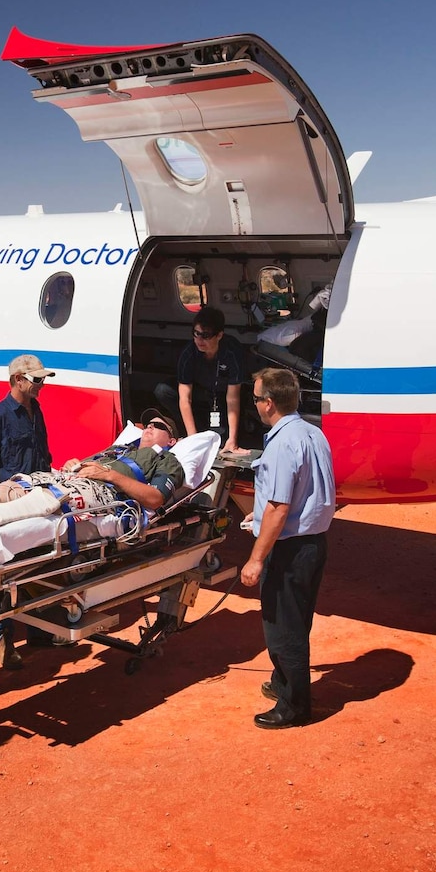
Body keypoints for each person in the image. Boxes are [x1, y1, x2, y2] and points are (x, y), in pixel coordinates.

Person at [240, 368, 335, 729]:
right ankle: (283, 683)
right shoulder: (313, 432)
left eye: (255, 398)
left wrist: (255, 558)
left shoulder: (281, 443)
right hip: (312, 544)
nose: (255, 404)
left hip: (289, 549)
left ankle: (294, 706)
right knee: (296, 620)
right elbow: (304, 492)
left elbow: (280, 509)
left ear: (268, 403)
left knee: (283, 627)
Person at [0, 412, 185, 531]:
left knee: (45, 498)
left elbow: (155, 499)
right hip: (65, 478)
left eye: (157, 426)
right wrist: (75, 464)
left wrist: (111, 476)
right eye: (146, 423)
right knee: (11, 488)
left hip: (98, 492)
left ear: (172, 440)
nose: (148, 426)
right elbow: (84, 465)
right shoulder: (118, 449)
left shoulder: (167, 461)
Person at [0, 353, 56, 667]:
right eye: (36, 380)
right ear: (16, 380)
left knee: (38, 565)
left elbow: (43, 455)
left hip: (38, 501)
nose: (41, 385)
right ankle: (4, 640)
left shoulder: (36, 410)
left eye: (43, 379)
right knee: (6, 574)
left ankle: (39, 631)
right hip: (10, 505)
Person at [155, 305, 247, 453]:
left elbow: (233, 398)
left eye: (205, 335)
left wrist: (233, 439)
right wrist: (193, 439)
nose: (199, 340)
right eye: (195, 334)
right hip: (200, 392)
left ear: (219, 335)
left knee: (220, 441)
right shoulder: (188, 354)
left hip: (223, 396)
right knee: (163, 390)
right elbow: (185, 398)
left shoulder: (232, 352)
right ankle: (189, 429)